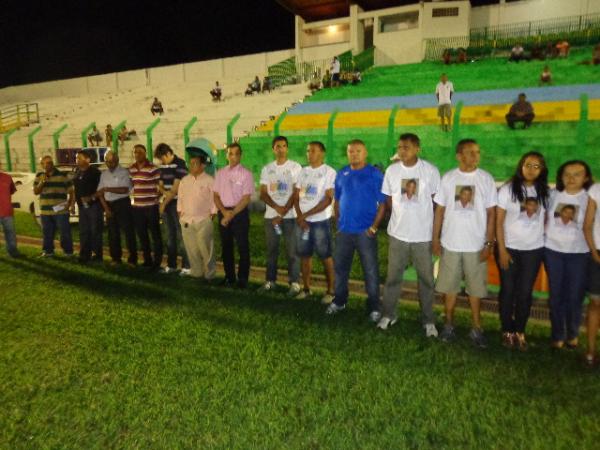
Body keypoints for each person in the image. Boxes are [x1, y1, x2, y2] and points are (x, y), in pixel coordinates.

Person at [432, 139, 497, 348]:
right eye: (470, 152)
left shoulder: (486, 179)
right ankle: (449, 325)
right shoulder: (449, 178)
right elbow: (439, 211)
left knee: (475, 290)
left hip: (476, 245)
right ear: (459, 156)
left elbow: (491, 213)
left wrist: (489, 243)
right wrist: (435, 238)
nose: (475, 156)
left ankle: (477, 328)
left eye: (477, 152)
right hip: (450, 244)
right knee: (449, 288)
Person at [376, 133, 441, 336]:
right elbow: (387, 199)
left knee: (426, 280)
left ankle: (428, 320)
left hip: (422, 236)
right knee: (393, 277)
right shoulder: (392, 171)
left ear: (417, 149)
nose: (402, 151)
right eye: (400, 147)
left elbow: (437, 201)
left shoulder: (429, 171)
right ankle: (389, 314)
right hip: (398, 235)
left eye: (406, 147)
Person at [326, 139, 385, 322]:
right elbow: (336, 200)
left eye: (358, 151)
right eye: (351, 151)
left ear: (365, 153)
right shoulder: (342, 173)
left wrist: (374, 227)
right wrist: (338, 223)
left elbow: (383, 204)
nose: (354, 154)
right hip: (344, 232)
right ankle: (340, 301)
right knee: (341, 269)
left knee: (370, 271)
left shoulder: (374, 174)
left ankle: (375, 306)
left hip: (365, 233)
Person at [495, 152, 549, 351]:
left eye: (536, 166)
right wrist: (501, 250)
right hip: (509, 248)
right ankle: (507, 331)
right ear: (521, 166)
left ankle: (520, 331)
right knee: (508, 291)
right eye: (528, 165)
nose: (531, 169)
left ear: (542, 170)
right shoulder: (508, 190)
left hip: (533, 251)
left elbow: (546, 220)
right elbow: (499, 222)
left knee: (525, 293)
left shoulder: (544, 191)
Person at [544, 160, 592, 350]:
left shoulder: (589, 199)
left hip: (579, 254)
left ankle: (572, 333)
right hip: (553, 252)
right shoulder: (552, 195)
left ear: (586, 177)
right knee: (556, 295)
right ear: (561, 177)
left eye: (577, 174)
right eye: (567, 174)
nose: (571, 178)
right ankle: (557, 335)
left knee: (575, 295)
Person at [258, 136, 302, 296]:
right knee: (272, 250)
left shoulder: (295, 167)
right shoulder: (267, 169)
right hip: (272, 218)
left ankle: (295, 283)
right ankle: (270, 281)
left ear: (287, 148)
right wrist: (277, 208)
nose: (281, 149)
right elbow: (262, 193)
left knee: (292, 251)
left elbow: (297, 192)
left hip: (289, 217)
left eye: (284, 146)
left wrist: (284, 211)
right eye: (278, 146)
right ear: (273, 149)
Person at [293, 141, 336, 303]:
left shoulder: (329, 172)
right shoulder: (303, 172)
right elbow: (296, 196)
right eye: (307, 151)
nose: (309, 154)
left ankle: (331, 291)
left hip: (319, 222)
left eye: (313, 151)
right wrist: (299, 216)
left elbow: (327, 200)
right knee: (305, 256)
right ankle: (306, 288)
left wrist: (305, 215)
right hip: (303, 222)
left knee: (326, 256)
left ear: (322, 153)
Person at [213, 143, 254, 288]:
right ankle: (229, 277)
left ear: (241, 155)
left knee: (243, 247)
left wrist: (231, 214)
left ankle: (242, 279)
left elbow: (246, 198)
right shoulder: (220, 173)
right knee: (226, 247)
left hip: (239, 213)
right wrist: (224, 212)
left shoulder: (246, 174)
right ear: (226, 155)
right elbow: (216, 196)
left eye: (237, 153)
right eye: (230, 153)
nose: (233, 156)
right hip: (224, 212)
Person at [177, 153, 217, 281]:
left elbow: (215, 199)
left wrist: (212, 214)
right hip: (187, 220)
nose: (192, 165)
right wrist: (180, 214)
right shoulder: (184, 180)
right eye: (190, 163)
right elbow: (180, 198)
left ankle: (210, 274)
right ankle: (196, 272)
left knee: (205, 249)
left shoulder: (210, 180)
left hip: (203, 219)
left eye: (195, 163)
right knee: (191, 249)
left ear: (202, 165)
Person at [96, 150, 137, 266]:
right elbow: (100, 193)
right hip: (109, 204)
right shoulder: (104, 174)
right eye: (108, 162)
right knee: (113, 233)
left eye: (112, 161)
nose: (110, 164)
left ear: (117, 160)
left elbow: (125, 189)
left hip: (123, 203)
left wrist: (107, 189)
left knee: (128, 232)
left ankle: (132, 259)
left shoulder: (124, 172)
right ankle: (116, 258)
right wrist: (106, 209)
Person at [155, 143, 190, 275]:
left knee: (181, 236)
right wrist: (165, 193)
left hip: (179, 204)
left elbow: (175, 190)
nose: (161, 161)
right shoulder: (163, 166)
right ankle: (171, 265)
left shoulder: (180, 164)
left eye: (162, 158)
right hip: (168, 203)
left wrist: (163, 202)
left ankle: (187, 266)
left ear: (168, 154)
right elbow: (161, 185)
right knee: (169, 236)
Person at [129, 144, 163, 270]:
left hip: (151, 207)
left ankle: (157, 262)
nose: (137, 154)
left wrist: (156, 197)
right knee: (142, 235)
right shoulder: (131, 169)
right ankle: (147, 260)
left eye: (140, 152)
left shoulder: (153, 168)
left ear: (145, 153)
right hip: (137, 207)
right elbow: (131, 186)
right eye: (135, 152)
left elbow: (159, 186)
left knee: (155, 235)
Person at [33, 155, 74, 257]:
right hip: (45, 211)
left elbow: (72, 192)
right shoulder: (39, 175)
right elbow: (36, 191)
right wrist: (43, 181)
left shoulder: (62, 175)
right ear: (41, 165)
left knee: (65, 233)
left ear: (52, 164)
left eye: (49, 163)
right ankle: (48, 252)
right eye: (44, 163)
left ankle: (68, 252)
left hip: (60, 211)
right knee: (47, 233)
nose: (46, 165)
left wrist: (69, 204)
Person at [72, 149, 103, 263]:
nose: (77, 160)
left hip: (94, 206)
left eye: (79, 158)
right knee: (84, 231)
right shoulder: (77, 171)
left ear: (88, 159)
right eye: (76, 158)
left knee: (95, 231)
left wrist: (91, 197)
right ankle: (84, 254)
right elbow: (75, 189)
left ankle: (97, 255)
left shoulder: (96, 173)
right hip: (82, 207)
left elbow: (101, 190)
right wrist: (73, 203)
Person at [583, 180, 600, 366]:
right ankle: (590, 352)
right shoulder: (596, 189)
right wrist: (595, 253)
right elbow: (587, 225)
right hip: (598, 254)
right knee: (595, 303)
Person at [0, 163, 19, 257]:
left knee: (10, 234)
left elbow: (11, 191)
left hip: (7, 211)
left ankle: (13, 252)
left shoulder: (7, 178)